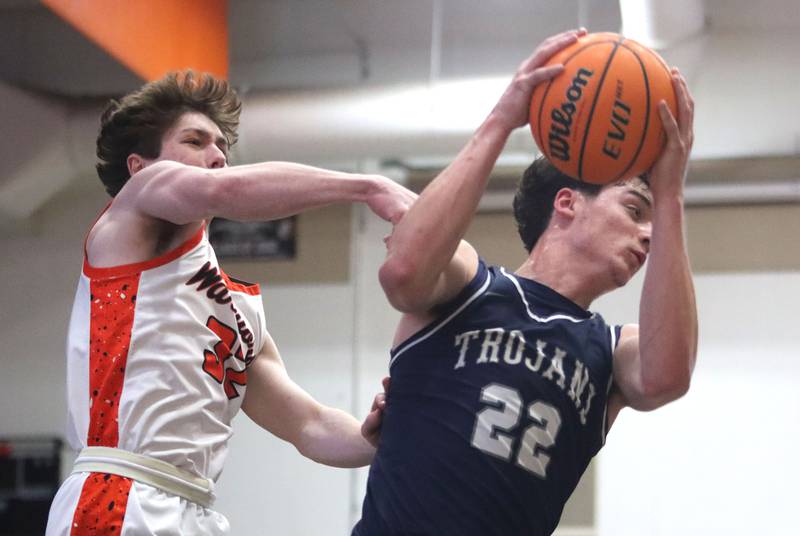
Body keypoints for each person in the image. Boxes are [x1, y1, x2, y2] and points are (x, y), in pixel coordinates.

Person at [353, 28, 697, 536]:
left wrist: (670, 198)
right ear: (567, 203)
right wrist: (504, 117)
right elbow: (402, 272)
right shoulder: (468, 283)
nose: (649, 236)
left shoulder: (610, 350)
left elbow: (668, 377)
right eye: (634, 209)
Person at [45, 71, 413, 535]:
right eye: (195, 141)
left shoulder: (240, 312)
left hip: (195, 508)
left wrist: (376, 436)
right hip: (121, 491)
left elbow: (310, 426)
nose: (217, 156)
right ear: (139, 167)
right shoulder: (135, 210)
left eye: (221, 145)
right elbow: (226, 191)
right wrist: (369, 187)